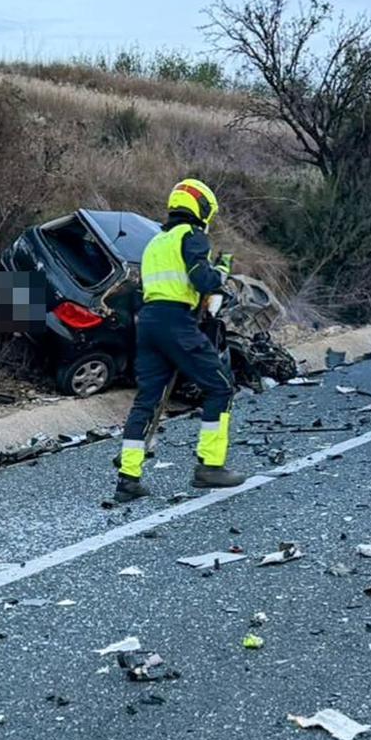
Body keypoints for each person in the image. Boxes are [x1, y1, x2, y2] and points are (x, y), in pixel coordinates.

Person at [114, 178, 242, 502]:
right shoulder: (192, 236)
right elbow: (202, 279)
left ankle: (128, 479)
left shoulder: (155, 242)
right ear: (202, 209)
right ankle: (209, 467)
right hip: (175, 322)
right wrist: (222, 273)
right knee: (220, 386)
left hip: (149, 322)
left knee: (148, 400)